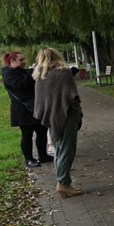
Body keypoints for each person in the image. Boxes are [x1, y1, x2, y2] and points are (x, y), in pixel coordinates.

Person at [32, 48, 84, 198]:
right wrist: (77, 111)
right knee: (67, 149)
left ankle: (63, 181)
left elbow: (42, 101)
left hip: (51, 116)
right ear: (56, 56)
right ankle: (63, 183)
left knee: (59, 149)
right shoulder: (63, 72)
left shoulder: (39, 76)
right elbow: (71, 96)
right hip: (67, 114)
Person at [2, 51, 52, 168]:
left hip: (34, 106)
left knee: (41, 131)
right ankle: (28, 159)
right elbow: (21, 85)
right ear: (12, 61)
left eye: (24, 59)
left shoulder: (20, 71)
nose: (24, 61)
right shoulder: (9, 74)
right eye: (21, 60)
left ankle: (43, 155)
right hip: (22, 109)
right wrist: (32, 72)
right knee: (27, 134)